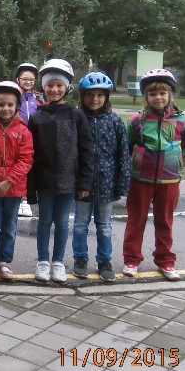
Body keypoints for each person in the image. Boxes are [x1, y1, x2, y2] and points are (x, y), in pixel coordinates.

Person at [122, 69, 185, 281]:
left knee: (165, 222)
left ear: (170, 95)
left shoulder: (182, 120)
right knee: (136, 221)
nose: (158, 97)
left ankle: (165, 260)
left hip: (169, 180)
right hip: (140, 179)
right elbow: (127, 148)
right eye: (153, 94)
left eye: (163, 93)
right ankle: (131, 259)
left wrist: (176, 166)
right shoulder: (137, 121)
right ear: (146, 97)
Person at [27, 59, 94, 283]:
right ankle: (43, 260)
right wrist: (31, 187)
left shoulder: (76, 116)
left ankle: (58, 261)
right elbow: (30, 154)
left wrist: (85, 181)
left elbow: (86, 150)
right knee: (44, 220)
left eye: (59, 85)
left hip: (69, 180)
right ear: (43, 87)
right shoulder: (37, 117)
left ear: (66, 87)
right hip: (45, 181)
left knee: (63, 222)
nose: (54, 89)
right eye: (49, 85)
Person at [71, 72, 130, 283]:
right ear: (82, 96)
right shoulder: (77, 118)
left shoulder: (114, 121)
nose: (94, 99)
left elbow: (123, 153)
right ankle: (80, 259)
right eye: (90, 95)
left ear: (106, 97)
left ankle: (104, 261)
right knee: (80, 223)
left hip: (107, 182)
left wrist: (122, 183)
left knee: (104, 225)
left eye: (100, 95)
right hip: (83, 182)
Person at [0, 81, 33, 281]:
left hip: (14, 188)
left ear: (17, 106)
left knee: (10, 227)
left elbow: (26, 160)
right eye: (1, 104)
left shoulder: (24, 131)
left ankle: (4, 261)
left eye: (10, 104)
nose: (5, 108)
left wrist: (9, 181)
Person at [15, 62, 42, 218]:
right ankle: (18, 198)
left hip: (34, 138)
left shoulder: (38, 98)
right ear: (18, 79)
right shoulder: (14, 96)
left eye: (31, 79)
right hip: (17, 137)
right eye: (25, 79)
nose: (28, 82)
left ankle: (25, 199)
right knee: (18, 167)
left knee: (29, 169)